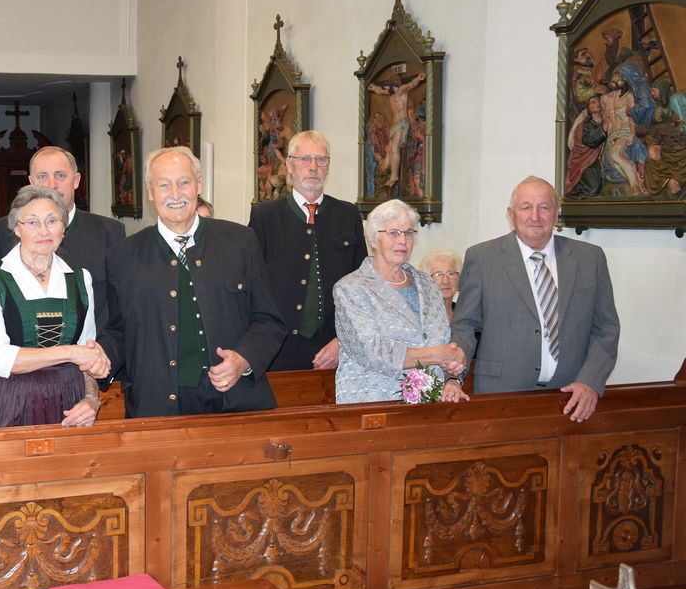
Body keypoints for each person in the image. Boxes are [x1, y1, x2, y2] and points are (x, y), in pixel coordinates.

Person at [98, 146, 286, 418]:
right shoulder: (122, 256)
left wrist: (244, 359)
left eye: (184, 182)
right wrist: (100, 356)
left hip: (236, 401)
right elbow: (119, 330)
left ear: (198, 185)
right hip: (157, 405)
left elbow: (269, 320)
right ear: (150, 191)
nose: (175, 194)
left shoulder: (240, 242)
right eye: (164, 185)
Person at [449, 176, 620, 422]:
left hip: (571, 397)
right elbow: (465, 324)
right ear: (511, 214)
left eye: (544, 207)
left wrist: (590, 381)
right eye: (526, 207)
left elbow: (606, 328)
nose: (535, 216)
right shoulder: (482, 258)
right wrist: (454, 375)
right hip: (501, 395)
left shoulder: (589, 259)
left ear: (556, 213)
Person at [0, 185, 110, 429]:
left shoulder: (80, 278)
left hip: (68, 403)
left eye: (52, 221)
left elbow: (87, 351)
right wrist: (70, 353)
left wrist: (91, 398)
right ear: (16, 228)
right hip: (7, 403)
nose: (44, 230)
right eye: (32, 222)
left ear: (64, 227)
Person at [248, 130, 367, 372]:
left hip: (335, 351)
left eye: (321, 159)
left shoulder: (348, 215)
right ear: (289, 165)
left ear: (328, 167)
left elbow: (363, 288)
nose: (313, 167)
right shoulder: (265, 216)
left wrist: (342, 341)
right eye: (304, 159)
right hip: (278, 351)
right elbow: (252, 287)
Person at [333, 199, 464, 404]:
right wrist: (437, 355)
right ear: (373, 240)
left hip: (430, 405)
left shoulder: (427, 284)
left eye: (409, 232)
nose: (403, 240)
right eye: (393, 233)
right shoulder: (351, 288)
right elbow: (372, 352)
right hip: (374, 403)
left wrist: (452, 378)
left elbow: (443, 343)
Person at [0, 146, 125, 324]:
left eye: (60, 175)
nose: (52, 185)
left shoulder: (109, 232)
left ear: (76, 181)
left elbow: (118, 305)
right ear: (31, 182)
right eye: (42, 177)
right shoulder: (4, 231)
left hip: (92, 339)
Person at [368, 73, 426, 188]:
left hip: (401, 124)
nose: (384, 90)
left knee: (395, 148)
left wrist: (418, 79)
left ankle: (394, 176)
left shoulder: (401, 91)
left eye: (386, 88)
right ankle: (386, 171)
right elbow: (381, 91)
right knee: (390, 149)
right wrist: (373, 88)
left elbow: (411, 85)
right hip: (394, 126)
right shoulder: (392, 96)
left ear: (390, 87)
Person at [418, 249, 463, 322]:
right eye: (438, 275)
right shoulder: (419, 315)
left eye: (451, 274)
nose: (445, 281)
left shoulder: (465, 314)